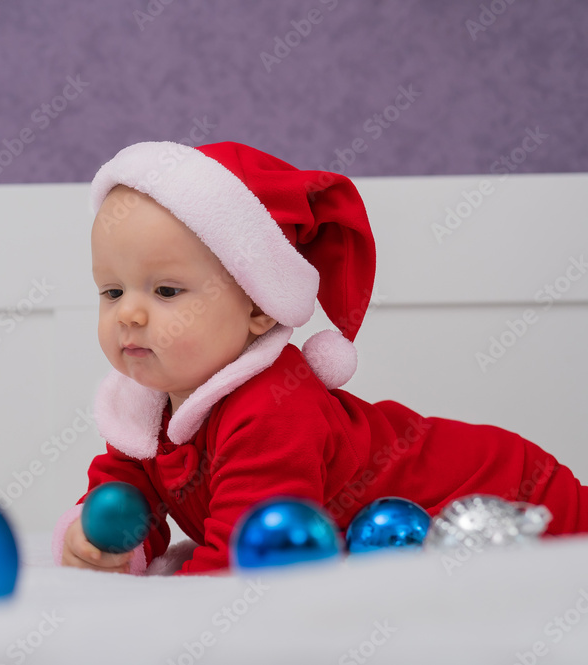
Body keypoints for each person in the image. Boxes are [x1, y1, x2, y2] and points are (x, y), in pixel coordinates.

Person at [52, 140, 588, 576]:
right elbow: (126, 495)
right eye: (112, 292)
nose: (130, 315)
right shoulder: (145, 406)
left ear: (260, 308)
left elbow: (248, 557)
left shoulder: (272, 407)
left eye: (166, 292)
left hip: (507, 484)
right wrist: (104, 545)